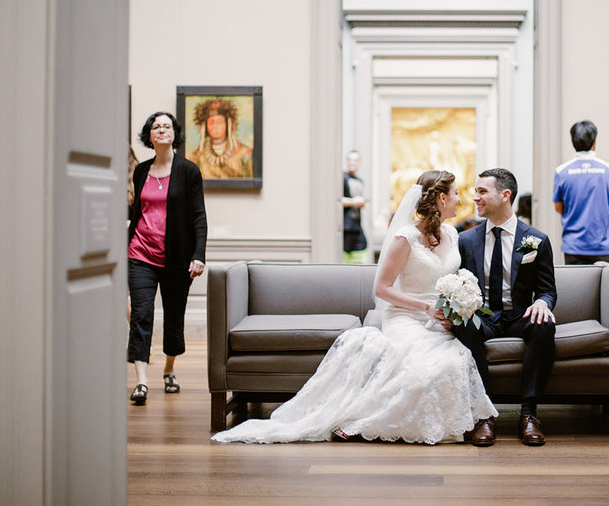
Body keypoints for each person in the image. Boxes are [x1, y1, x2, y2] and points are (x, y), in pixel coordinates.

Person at [211, 170, 497, 444]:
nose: (461, 199)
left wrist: (456, 304)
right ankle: (361, 423)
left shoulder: (452, 234)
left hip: (441, 323)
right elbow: (382, 289)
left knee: (454, 360)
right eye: (456, 193)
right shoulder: (405, 238)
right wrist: (425, 308)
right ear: (440, 199)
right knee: (424, 368)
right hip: (406, 319)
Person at [454, 168, 557, 447]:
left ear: (505, 195)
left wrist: (541, 302)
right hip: (484, 314)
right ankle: (484, 417)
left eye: (482, 191)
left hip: (520, 313)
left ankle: (529, 415)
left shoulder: (535, 240)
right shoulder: (465, 240)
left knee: (544, 325)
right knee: (463, 325)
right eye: (476, 191)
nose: (475, 197)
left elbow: (547, 289)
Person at [127, 111, 208, 405]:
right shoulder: (141, 171)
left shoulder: (188, 171)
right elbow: (135, 212)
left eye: (167, 126)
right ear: (149, 135)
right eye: (156, 126)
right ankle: (141, 382)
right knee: (141, 315)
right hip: (140, 254)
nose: (162, 130)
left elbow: (199, 216)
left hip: (177, 259)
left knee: (173, 319)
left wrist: (199, 255)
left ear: (175, 133)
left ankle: (169, 370)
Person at [553, 120, 609, 265]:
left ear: (573, 142)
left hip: (573, 247)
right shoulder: (608, 170)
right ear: (594, 142)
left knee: (575, 288)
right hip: (602, 246)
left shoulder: (561, 172)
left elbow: (558, 207)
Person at [187, 98, 253, 178]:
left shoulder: (243, 154)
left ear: (229, 124)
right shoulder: (196, 156)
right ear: (204, 126)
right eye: (211, 123)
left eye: (220, 122)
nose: (215, 127)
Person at [342, 150, 368, 263]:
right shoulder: (342, 178)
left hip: (357, 225)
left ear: (359, 162)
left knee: (362, 251)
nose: (352, 163)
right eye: (350, 160)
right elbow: (337, 200)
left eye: (355, 160)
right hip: (346, 227)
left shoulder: (360, 180)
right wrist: (354, 202)